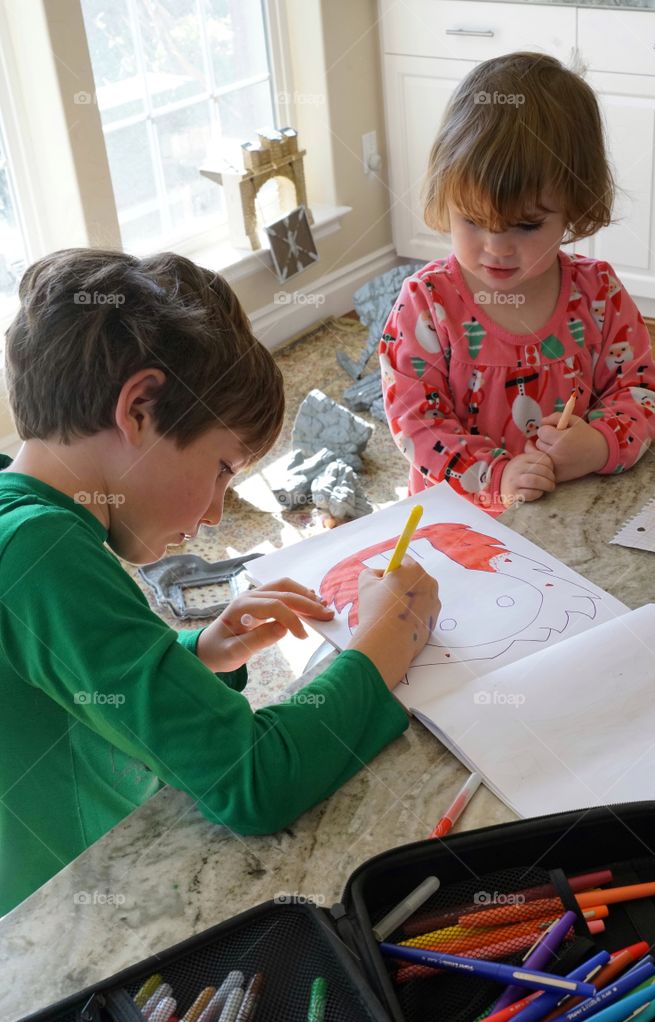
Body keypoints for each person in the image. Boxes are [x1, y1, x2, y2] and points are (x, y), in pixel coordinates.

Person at [0, 248, 439, 915]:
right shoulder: (44, 550)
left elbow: (72, 685)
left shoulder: (20, 515)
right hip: (59, 918)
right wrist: (384, 640)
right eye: (223, 467)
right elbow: (254, 780)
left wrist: (196, 656)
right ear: (140, 407)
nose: (212, 514)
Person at [381, 51, 655, 513]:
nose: (496, 246)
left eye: (527, 225)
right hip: (461, 526)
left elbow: (640, 391)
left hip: (572, 517)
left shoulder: (598, 294)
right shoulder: (428, 303)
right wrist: (498, 477)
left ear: (574, 205)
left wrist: (597, 443)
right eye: (472, 220)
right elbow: (417, 423)